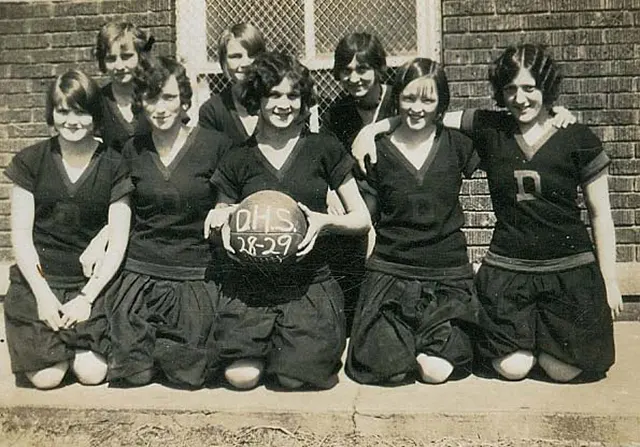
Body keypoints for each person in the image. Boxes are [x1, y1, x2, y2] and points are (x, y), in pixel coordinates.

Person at [353, 44, 622, 382]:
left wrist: (609, 281)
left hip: (568, 270)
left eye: (530, 88)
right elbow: (428, 113)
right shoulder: (490, 127)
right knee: (512, 368)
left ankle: (548, 341)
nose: (520, 98)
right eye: (510, 89)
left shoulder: (577, 137)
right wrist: (372, 129)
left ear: (546, 88)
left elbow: (601, 214)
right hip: (509, 270)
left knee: (563, 371)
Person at [206, 50, 371, 390]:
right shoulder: (238, 158)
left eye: (293, 95)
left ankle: (292, 347)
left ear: (304, 99)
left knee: (296, 378)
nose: (284, 104)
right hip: (252, 287)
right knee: (241, 377)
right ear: (258, 99)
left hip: (309, 284)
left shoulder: (323, 148)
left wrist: (325, 222)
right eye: (274, 95)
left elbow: (361, 219)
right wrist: (221, 220)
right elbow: (221, 217)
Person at [345, 58, 486, 384]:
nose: (417, 108)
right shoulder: (377, 152)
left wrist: (556, 116)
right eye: (409, 98)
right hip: (393, 272)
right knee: (387, 367)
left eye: (427, 99)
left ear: (441, 102)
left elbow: (504, 127)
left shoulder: (458, 145)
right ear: (397, 99)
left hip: (447, 275)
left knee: (435, 370)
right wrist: (374, 131)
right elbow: (365, 215)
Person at [104, 56, 233, 388]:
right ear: (141, 102)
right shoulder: (132, 150)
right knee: (134, 374)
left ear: (185, 100)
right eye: (151, 98)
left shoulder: (214, 145)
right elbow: (120, 214)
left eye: (169, 98)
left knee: (187, 376)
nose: (160, 108)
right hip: (141, 275)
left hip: (194, 274)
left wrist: (224, 208)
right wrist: (98, 242)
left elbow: (228, 204)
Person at [4, 70, 132, 389]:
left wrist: (87, 298)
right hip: (41, 283)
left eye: (81, 110)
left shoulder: (115, 164)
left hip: (90, 286)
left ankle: (74, 347)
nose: (71, 120)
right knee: (48, 377)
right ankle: (54, 348)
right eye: (63, 111)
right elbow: (20, 236)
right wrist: (44, 296)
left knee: (92, 373)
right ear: (52, 113)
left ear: (94, 115)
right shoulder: (30, 161)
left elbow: (118, 239)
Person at [321, 32, 396, 332]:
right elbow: (326, 158)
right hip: (361, 197)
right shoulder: (339, 112)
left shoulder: (397, 100)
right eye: (346, 71)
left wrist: (372, 130)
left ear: (378, 68)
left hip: (397, 195)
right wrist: (329, 192)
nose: (354, 78)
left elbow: (421, 114)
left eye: (362, 69)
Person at [198, 23, 266, 144]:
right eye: (236, 56)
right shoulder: (213, 111)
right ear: (224, 62)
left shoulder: (279, 100)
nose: (246, 63)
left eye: (252, 55)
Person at [95, 21, 154, 152]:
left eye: (126, 57)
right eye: (111, 59)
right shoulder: (97, 102)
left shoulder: (157, 95)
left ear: (140, 56)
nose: (119, 66)